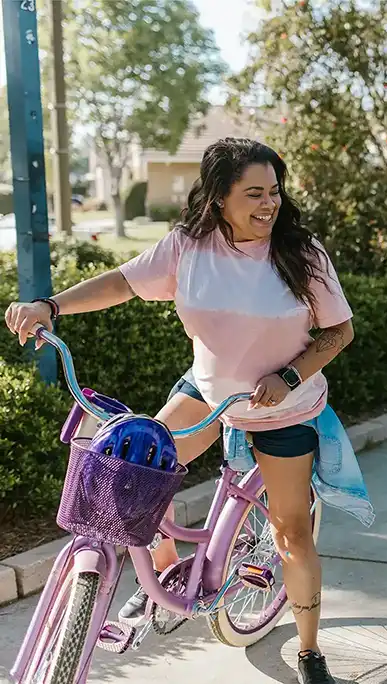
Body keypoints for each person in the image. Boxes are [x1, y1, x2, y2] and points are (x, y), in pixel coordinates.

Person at [5, 137, 354, 684]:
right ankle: (160, 582)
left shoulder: (300, 252)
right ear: (218, 197)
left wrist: (287, 376)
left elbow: (339, 331)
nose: (270, 205)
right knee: (138, 470)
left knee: (291, 533)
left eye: (275, 192)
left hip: (280, 406)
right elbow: (123, 281)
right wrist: (51, 305)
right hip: (209, 391)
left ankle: (310, 652)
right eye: (254, 193)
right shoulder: (189, 245)